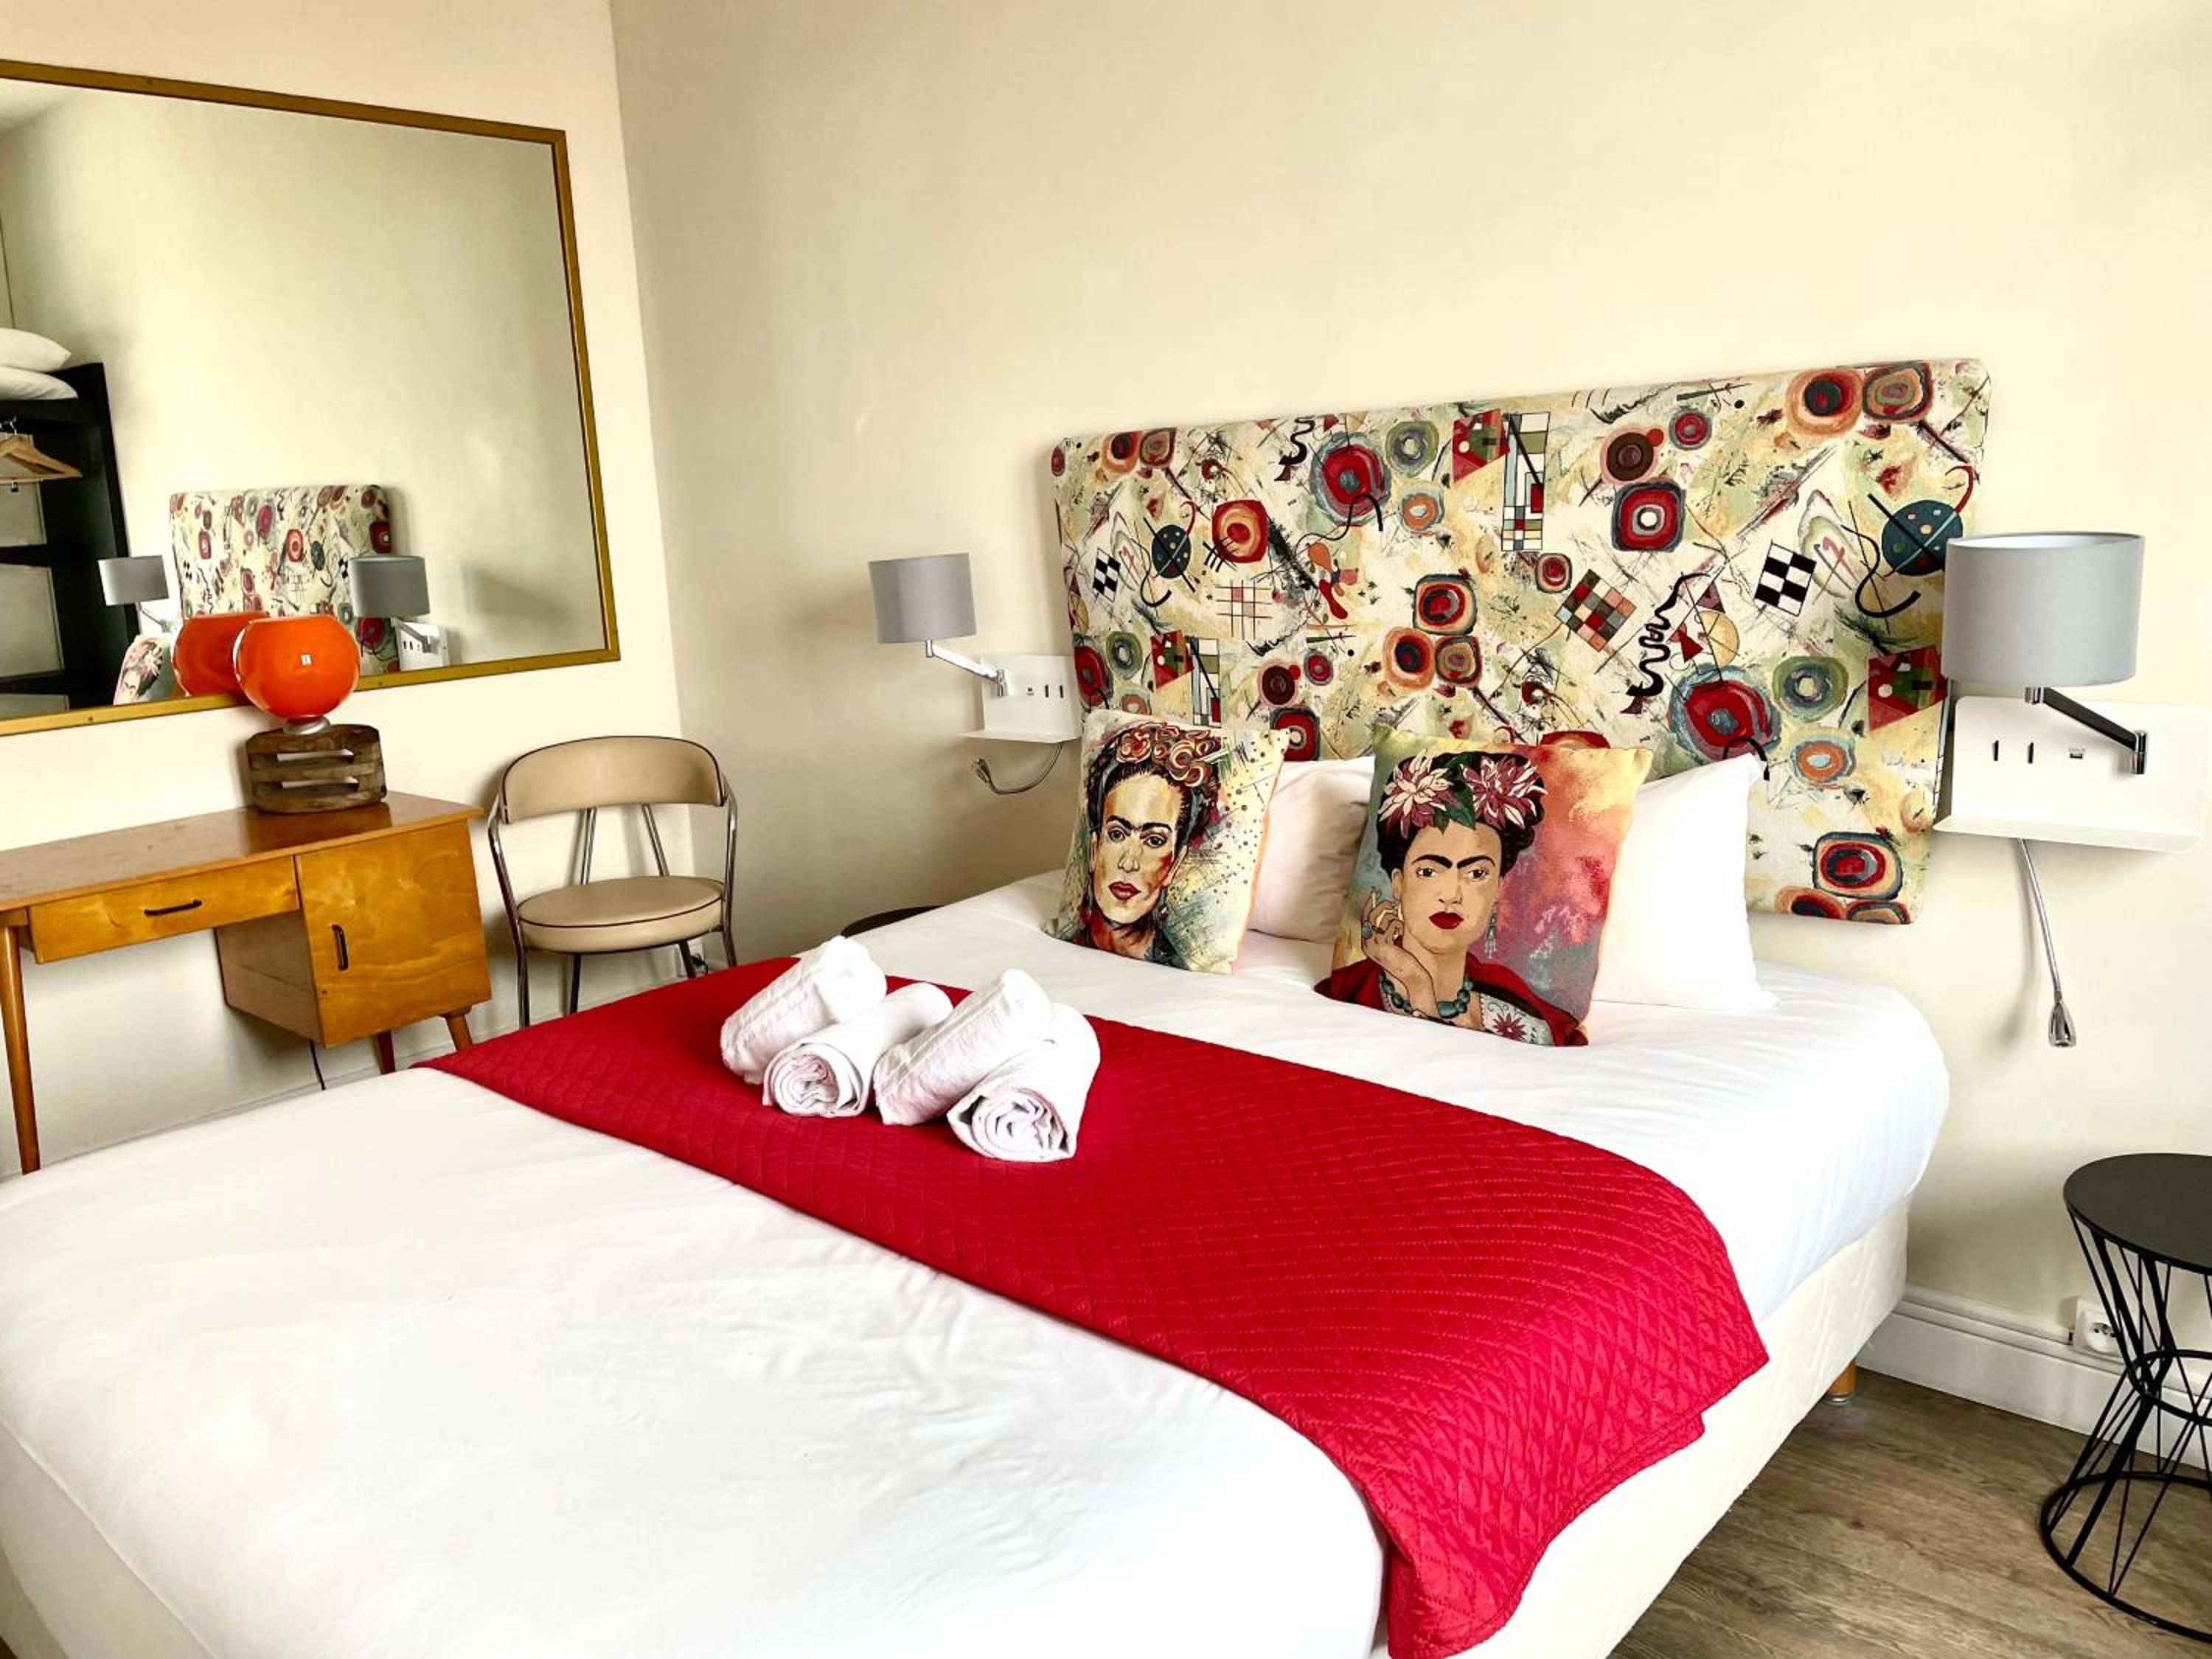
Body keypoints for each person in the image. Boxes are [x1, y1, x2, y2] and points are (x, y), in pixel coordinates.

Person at [1320, 748, 1582, 1046]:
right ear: (1399, 882)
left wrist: (1418, 985)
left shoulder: (1519, 1016)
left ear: (1498, 888)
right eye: (1429, 871)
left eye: (1477, 874)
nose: (1451, 895)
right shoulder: (1351, 987)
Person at [1068, 720, 1223, 967]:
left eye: (1154, 840)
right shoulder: (1070, 935)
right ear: (1095, 849)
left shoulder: (1181, 959)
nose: (1128, 863)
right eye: (1117, 834)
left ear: (1175, 864)